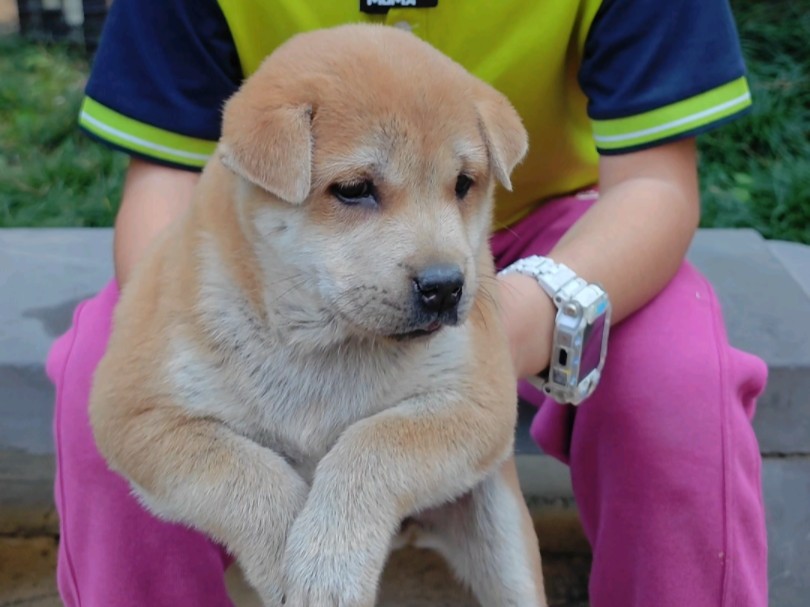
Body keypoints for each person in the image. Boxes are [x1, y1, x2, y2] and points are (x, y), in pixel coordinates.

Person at [47, 0, 768, 605]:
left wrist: (512, 329)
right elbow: (164, 184)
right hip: (263, 243)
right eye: (362, 186)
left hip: (561, 228)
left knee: (679, 386)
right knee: (103, 388)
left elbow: (655, 186)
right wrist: (237, 353)